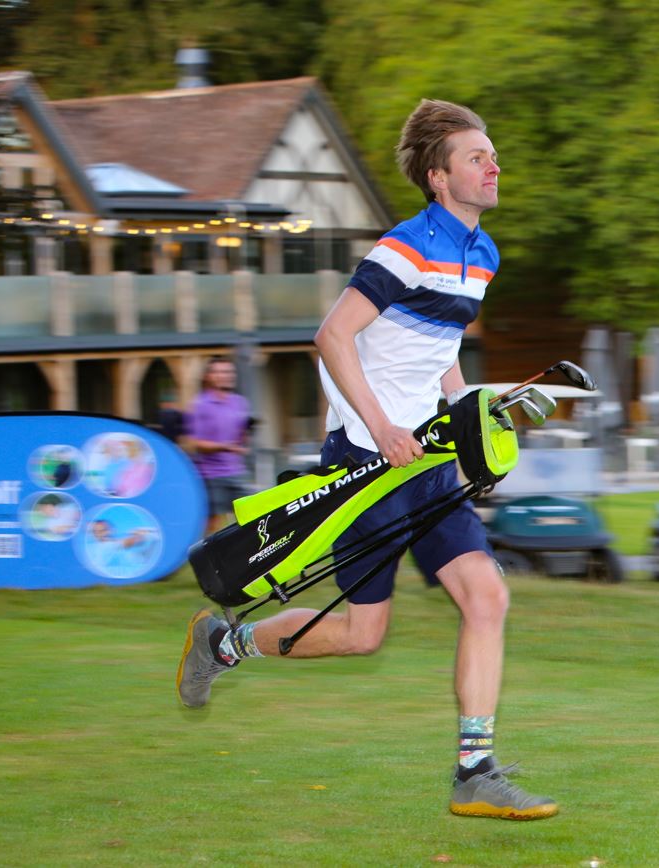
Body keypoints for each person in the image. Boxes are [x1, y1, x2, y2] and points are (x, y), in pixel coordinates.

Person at [177, 99, 557, 821]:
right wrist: (380, 427)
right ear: (439, 179)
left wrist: (477, 413)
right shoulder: (404, 248)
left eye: (492, 153)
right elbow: (333, 336)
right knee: (360, 634)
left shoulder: (483, 254)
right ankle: (225, 643)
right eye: (476, 157)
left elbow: (438, 357)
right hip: (369, 460)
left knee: (488, 595)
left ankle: (474, 770)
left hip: (430, 460)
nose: (492, 165)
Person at [184, 357, 251, 534]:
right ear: (209, 376)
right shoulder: (200, 405)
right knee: (212, 525)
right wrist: (224, 447)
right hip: (211, 475)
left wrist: (244, 439)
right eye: (220, 372)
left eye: (229, 372)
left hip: (236, 472)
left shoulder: (240, 403)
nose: (225, 376)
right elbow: (195, 443)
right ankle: (204, 557)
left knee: (251, 518)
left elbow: (240, 437)